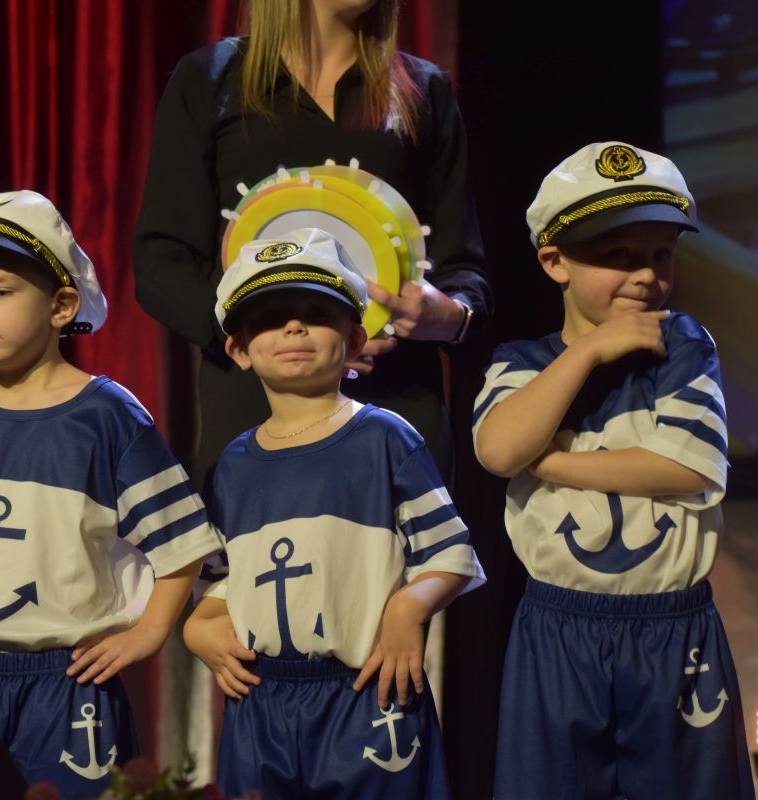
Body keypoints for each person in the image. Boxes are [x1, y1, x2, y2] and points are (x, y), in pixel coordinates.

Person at [0, 190, 220, 798]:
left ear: (61, 305)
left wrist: (147, 633)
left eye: (1, 292)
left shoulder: (106, 415)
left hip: (69, 685)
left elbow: (183, 544)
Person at [472, 142, 755, 800]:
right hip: (558, 630)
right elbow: (500, 451)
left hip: (673, 629)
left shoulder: (682, 345)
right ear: (555, 262)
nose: (646, 276)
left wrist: (554, 462)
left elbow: (689, 467)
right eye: (619, 256)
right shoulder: (520, 362)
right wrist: (589, 351)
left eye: (661, 255)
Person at [133, 0, 491, 488]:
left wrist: (448, 317)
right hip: (256, 412)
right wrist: (252, 337)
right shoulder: (211, 80)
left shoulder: (423, 90)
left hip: (396, 410)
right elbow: (162, 263)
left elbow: (464, 270)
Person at [184, 227, 485, 798]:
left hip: (367, 695)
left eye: (315, 314)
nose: (294, 328)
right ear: (238, 349)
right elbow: (220, 578)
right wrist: (201, 625)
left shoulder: (385, 438)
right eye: (270, 319)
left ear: (354, 338)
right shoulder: (233, 464)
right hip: (261, 705)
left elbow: (450, 553)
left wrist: (406, 609)